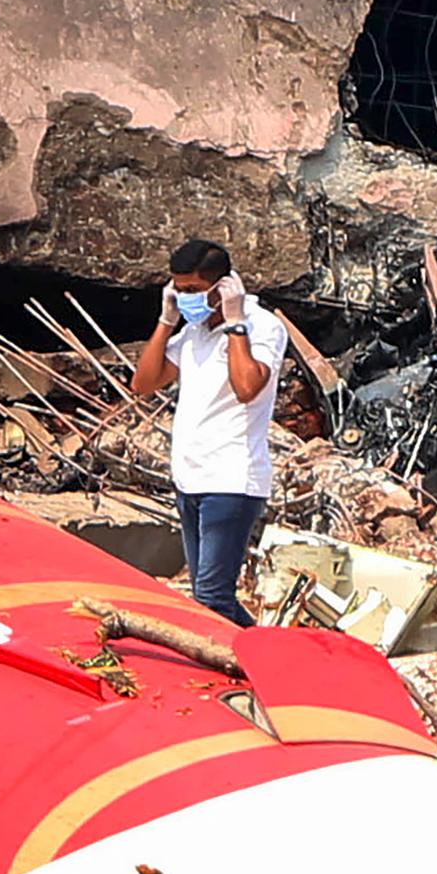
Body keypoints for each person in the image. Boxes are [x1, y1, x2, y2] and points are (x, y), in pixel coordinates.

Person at [128, 237, 287, 626]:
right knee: (205, 596)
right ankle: (264, 656)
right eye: (178, 290)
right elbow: (143, 383)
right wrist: (167, 321)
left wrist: (235, 323)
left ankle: (254, 666)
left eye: (194, 291)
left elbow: (248, 387)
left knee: (212, 598)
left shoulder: (262, 327)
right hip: (190, 478)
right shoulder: (193, 333)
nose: (186, 299)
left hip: (231, 480)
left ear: (223, 286)